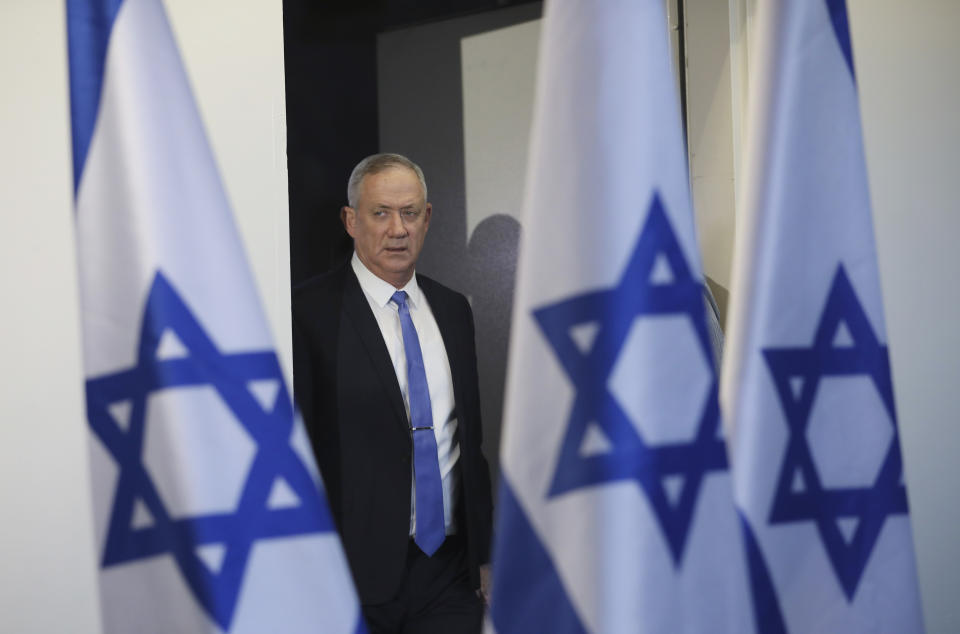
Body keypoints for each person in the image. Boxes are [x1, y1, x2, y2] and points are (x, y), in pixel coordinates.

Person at [292, 153, 493, 633]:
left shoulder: (452, 310)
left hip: (448, 573)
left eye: (410, 213)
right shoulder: (308, 313)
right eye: (380, 213)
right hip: (352, 578)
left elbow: (470, 443)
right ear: (351, 221)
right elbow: (298, 452)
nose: (397, 229)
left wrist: (484, 556)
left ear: (427, 218)